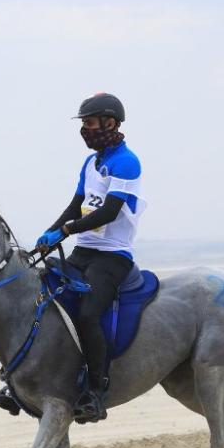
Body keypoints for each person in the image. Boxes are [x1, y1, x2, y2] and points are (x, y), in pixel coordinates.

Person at [35, 92, 145, 423]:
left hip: (112, 257)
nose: (85, 128)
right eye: (83, 123)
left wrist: (66, 230)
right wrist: (50, 232)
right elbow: (76, 204)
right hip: (83, 251)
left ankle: (97, 391)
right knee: (43, 296)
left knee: (88, 314)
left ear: (110, 123)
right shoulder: (90, 163)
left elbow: (110, 212)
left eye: (90, 122)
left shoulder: (127, 162)